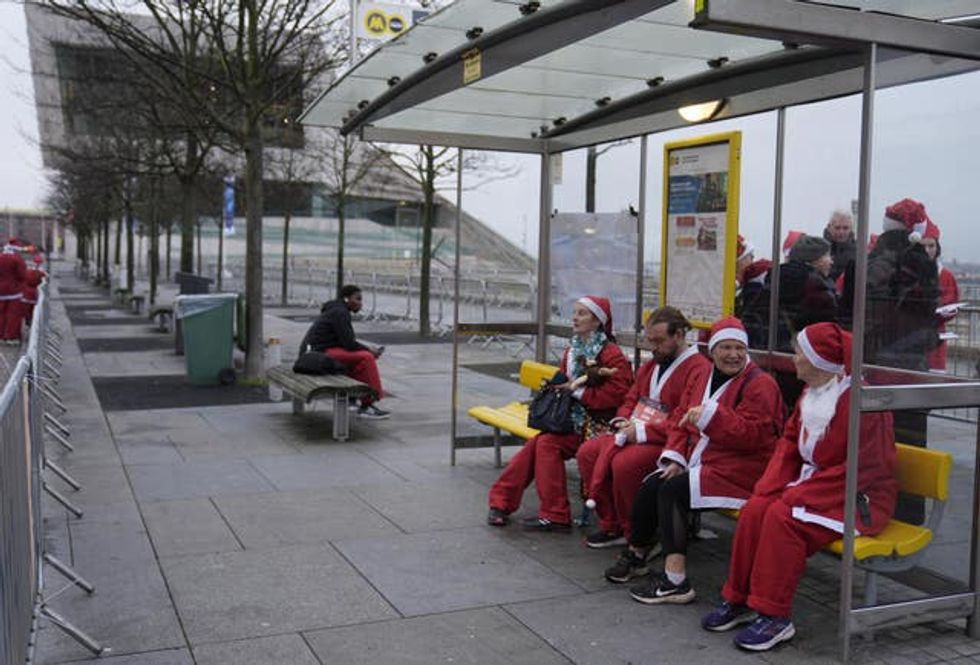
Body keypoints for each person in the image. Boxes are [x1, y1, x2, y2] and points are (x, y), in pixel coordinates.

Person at [701, 322, 896, 652]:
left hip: (858, 498)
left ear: (820, 361)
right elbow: (790, 442)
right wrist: (772, 485)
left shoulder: (861, 403)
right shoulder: (814, 389)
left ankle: (775, 615)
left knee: (782, 518)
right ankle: (740, 598)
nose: (794, 360)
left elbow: (865, 468)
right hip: (817, 485)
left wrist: (796, 494)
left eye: (799, 354)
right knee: (755, 509)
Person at [604, 317, 784, 602]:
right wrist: (675, 457)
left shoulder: (761, 384)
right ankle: (637, 553)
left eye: (739, 348)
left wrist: (714, 418)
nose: (733, 355)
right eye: (725, 347)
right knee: (654, 482)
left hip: (742, 469)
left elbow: (756, 437)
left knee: (673, 491)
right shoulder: (703, 377)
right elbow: (679, 420)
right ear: (712, 350)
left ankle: (676, 579)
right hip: (705, 460)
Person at [488, 296, 633, 532]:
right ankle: (502, 502)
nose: (575, 318)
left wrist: (578, 393)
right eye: (574, 312)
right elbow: (567, 382)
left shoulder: (612, 354)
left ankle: (550, 512)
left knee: (545, 444)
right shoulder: (572, 350)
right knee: (539, 443)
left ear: (597, 321)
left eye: (582, 314)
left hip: (599, 425)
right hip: (574, 422)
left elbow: (619, 395)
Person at [576, 306, 710, 548]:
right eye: (650, 341)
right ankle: (611, 523)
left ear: (679, 335)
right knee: (587, 453)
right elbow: (631, 397)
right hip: (636, 431)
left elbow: (685, 419)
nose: (653, 347)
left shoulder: (699, 368)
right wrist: (622, 420)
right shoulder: (653, 364)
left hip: (669, 442)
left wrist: (640, 431)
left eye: (659, 341)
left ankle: (636, 532)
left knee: (625, 464)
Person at [841, 198, 939, 524]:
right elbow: (923, 312)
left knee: (873, 441)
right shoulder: (919, 263)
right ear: (915, 229)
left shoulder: (866, 259)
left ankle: (868, 505)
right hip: (907, 365)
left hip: (869, 361)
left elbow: (849, 313)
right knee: (910, 437)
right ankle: (908, 512)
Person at [300, 284, 390, 419]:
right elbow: (349, 344)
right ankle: (368, 404)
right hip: (319, 354)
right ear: (347, 299)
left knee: (361, 359)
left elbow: (345, 342)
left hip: (317, 351)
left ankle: (353, 396)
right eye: (358, 299)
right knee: (367, 357)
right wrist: (369, 350)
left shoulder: (337, 309)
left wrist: (367, 349)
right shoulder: (340, 313)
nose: (360, 303)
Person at [921, 220, 961, 373]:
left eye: (931, 245)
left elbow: (952, 303)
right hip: (909, 336)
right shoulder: (907, 274)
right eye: (923, 246)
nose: (927, 250)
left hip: (935, 336)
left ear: (937, 248)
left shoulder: (945, 276)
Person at [0, 241, 28, 345]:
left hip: (0, 291)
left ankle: (1, 336)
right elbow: (22, 275)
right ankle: (11, 337)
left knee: (1, 314)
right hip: (14, 290)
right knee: (13, 315)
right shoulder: (17, 259)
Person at [823, 209, 856, 282]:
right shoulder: (820, 250)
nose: (841, 232)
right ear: (829, 227)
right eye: (837, 228)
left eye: (845, 228)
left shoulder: (859, 252)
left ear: (851, 229)